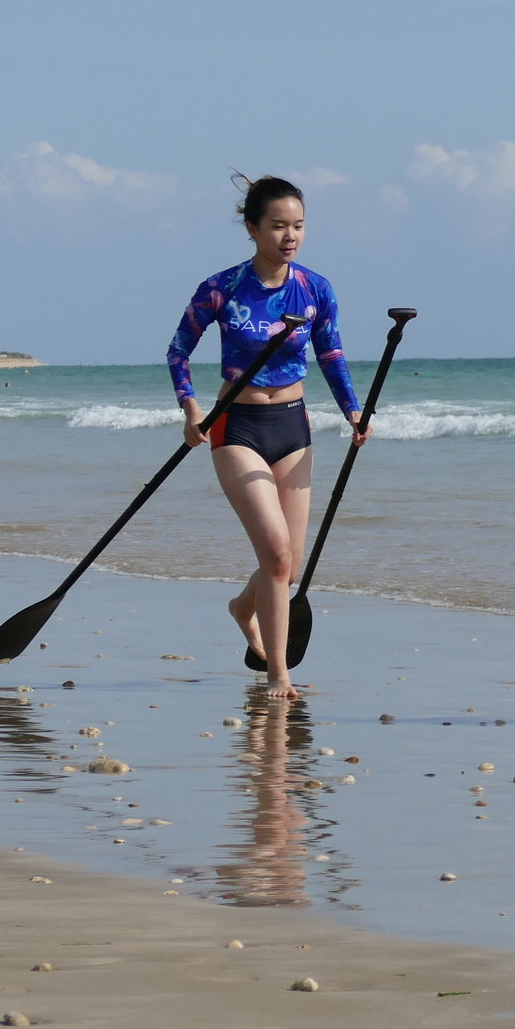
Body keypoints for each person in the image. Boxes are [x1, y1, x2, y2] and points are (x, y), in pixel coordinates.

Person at [167, 174, 366, 699]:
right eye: (278, 225)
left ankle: (243, 607)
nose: (290, 236)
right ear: (253, 228)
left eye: (298, 225)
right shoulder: (222, 288)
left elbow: (331, 355)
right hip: (237, 427)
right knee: (277, 556)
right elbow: (178, 352)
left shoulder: (315, 288)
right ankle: (279, 674)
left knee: (287, 563)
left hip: (294, 427)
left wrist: (352, 411)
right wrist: (191, 411)